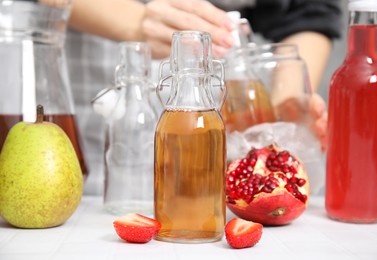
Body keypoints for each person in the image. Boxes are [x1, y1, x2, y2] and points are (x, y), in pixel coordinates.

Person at [64, 0, 342, 195]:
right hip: (95, 138)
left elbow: (308, 11)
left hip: (219, 182)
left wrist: (282, 109)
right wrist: (137, 22)